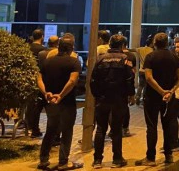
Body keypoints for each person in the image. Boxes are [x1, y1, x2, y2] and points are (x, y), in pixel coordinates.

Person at [36, 33, 82, 170]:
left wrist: (46, 93)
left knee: (50, 129)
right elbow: (72, 81)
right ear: (71, 48)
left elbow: (39, 78)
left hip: (50, 102)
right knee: (67, 131)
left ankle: (43, 160)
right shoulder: (74, 62)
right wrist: (61, 95)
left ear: (58, 47)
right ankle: (63, 162)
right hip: (67, 102)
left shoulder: (47, 61)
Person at [136, 33, 179, 166]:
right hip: (169, 98)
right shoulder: (174, 57)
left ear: (154, 43)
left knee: (151, 126)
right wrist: (170, 92)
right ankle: (168, 155)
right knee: (168, 125)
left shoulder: (150, 57)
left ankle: (150, 158)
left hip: (152, 97)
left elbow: (149, 78)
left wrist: (161, 92)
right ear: (167, 43)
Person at [90, 34, 135, 169]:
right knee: (116, 129)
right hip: (119, 99)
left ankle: (97, 160)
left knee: (100, 129)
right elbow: (129, 79)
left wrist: (97, 95)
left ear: (110, 45)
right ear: (122, 46)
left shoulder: (100, 59)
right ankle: (117, 159)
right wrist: (131, 95)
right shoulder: (125, 59)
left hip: (102, 98)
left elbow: (93, 80)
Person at [26, 29, 47, 138]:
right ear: (42, 37)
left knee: (29, 104)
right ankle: (34, 128)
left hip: (27, 79)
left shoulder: (26, 48)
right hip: (39, 80)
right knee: (37, 106)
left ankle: (28, 125)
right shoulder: (43, 51)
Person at [135, 35, 154, 105]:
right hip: (148, 71)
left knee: (140, 85)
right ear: (151, 44)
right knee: (146, 86)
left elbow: (132, 50)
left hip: (141, 70)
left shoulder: (140, 49)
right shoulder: (152, 51)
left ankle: (137, 98)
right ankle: (144, 99)